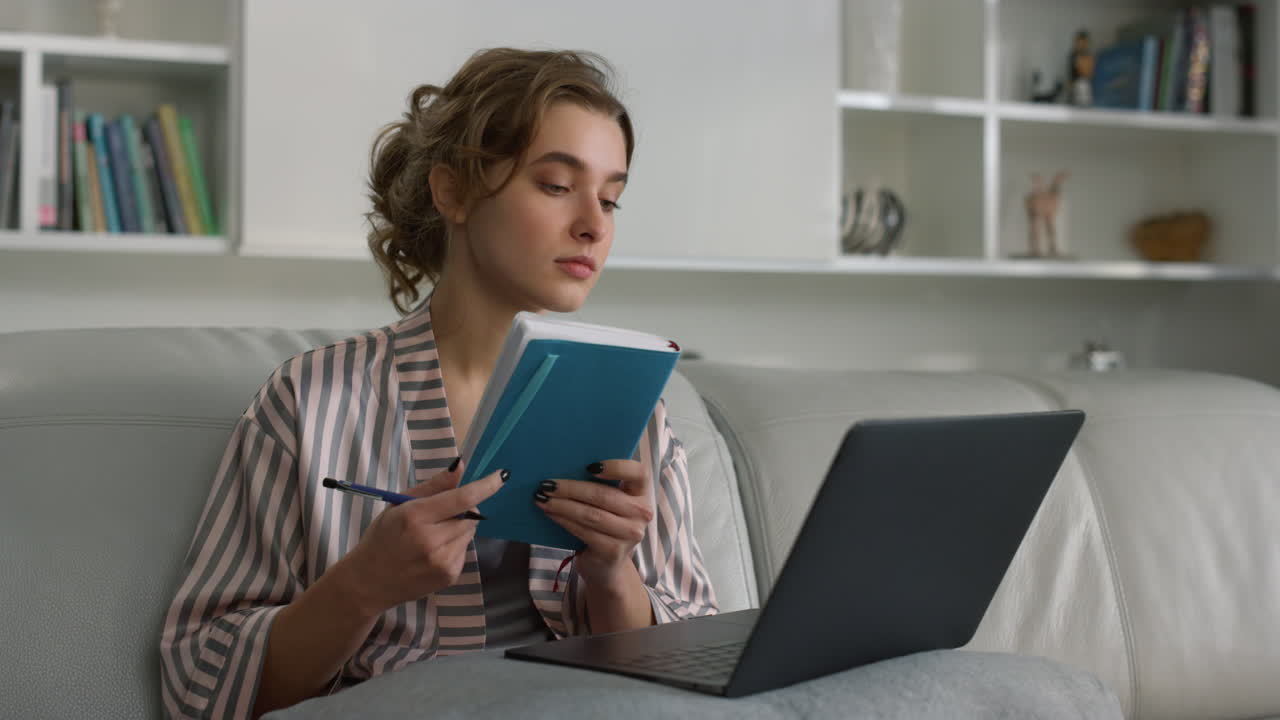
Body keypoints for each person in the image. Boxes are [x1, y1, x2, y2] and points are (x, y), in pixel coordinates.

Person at [158, 47, 719, 720]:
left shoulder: (637, 413)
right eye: (555, 185)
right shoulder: (310, 402)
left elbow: (691, 680)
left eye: (610, 198)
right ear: (451, 190)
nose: (594, 226)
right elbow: (203, 690)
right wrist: (363, 584)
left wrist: (612, 572)